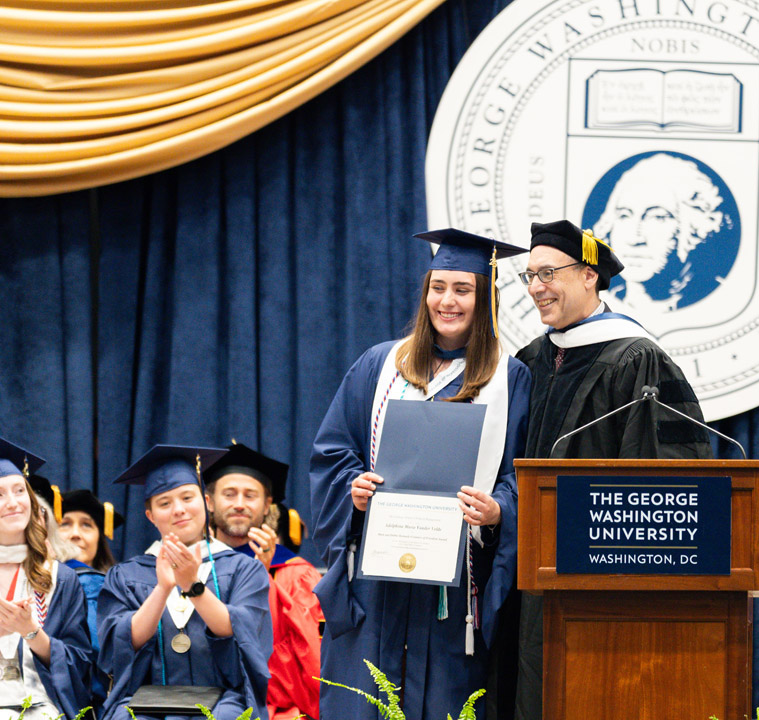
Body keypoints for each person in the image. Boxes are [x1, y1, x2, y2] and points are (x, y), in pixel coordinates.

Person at [309, 229, 531, 720]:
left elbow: (520, 472)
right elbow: (334, 452)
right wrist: (354, 490)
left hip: (455, 584)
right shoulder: (380, 364)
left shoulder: (509, 378)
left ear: (485, 299)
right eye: (438, 287)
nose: (447, 301)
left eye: (463, 289)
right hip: (377, 577)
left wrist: (498, 509)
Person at [512, 219, 711, 720]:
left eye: (548, 273)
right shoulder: (531, 360)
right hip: (528, 574)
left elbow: (669, 487)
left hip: (599, 584)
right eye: (530, 275)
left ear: (589, 276)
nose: (536, 287)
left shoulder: (637, 359)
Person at [97, 445, 272, 720]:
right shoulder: (126, 575)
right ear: (150, 516)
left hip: (224, 699)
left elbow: (241, 630)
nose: (178, 510)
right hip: (145, 700)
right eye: (164, 503)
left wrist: (192, 586)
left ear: (207, 502)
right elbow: (123, 642)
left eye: (187, 498)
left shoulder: (243, 569)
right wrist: (162, 588)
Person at [205, 442, 324, 720]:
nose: (239, 503)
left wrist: (262, 577)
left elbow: (308, 663)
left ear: (267, 504)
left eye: (250, 495)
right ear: (209, 501)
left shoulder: (295, 575)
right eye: (229, 494)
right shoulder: (189, 568)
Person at [0, 438, 93, 719]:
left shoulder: (60, 578)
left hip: (42, 707)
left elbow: (81, 664)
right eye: (0, 494)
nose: (13, 503)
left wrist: (30, 630)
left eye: (20, 491)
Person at [592, 152, 737, 311]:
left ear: (695, 228)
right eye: (624, 215)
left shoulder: (726, 303)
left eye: (658, 217)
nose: (634, 238)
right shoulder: (593, 303)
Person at [59, 488, 124, 708]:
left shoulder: (117, 587)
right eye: (64, 524)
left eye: (87, 525)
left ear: (100, 537)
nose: (75, 534)